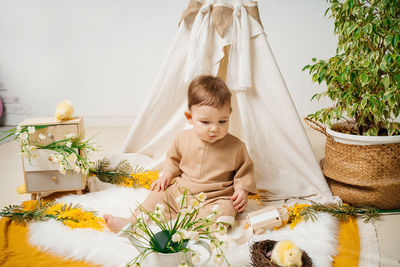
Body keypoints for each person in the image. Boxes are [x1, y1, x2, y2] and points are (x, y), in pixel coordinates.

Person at [104, 75, 257, 230]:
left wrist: (241, 189)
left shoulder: (236, 146)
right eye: (205, 122)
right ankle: (132, 222)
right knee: (158, 195)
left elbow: (244, 171)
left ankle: (190, 227)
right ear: (190, 117)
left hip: (216, 196)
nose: (214, 128)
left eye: (222, 121)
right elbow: (173, 160)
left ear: (229, 114)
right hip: (182, 192)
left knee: (226, 211)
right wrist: (167, 174)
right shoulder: (182, 138)